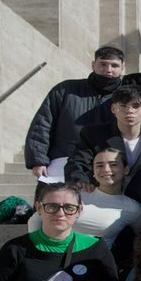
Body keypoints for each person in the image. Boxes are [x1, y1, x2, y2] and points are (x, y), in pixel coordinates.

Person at [32, 148, 141, 272]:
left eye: (113, 164)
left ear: (126, 169)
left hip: (95, 268)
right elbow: (35, 219)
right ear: (93, 171)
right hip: (52, 260)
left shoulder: (133, 208)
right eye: (99, 165)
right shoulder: (75, 194)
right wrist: (39, 252)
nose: (106, 169)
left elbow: (140, 238)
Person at [24, 46, 124, 181]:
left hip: (111, 165)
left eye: (114, 65)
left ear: (122, 68)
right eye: (103, 64)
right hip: (63, 161)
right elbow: (42, 124)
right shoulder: (65, 90)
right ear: (93, 65)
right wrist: (38, 160)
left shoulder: (127, 96)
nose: (108, 69)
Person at [66, 85, 141, 191]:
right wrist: (81, 182)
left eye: (136, 106)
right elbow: (78, 162)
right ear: (113, 109)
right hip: (102, 194)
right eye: (123, 106)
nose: (130, 111)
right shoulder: (93, 134)